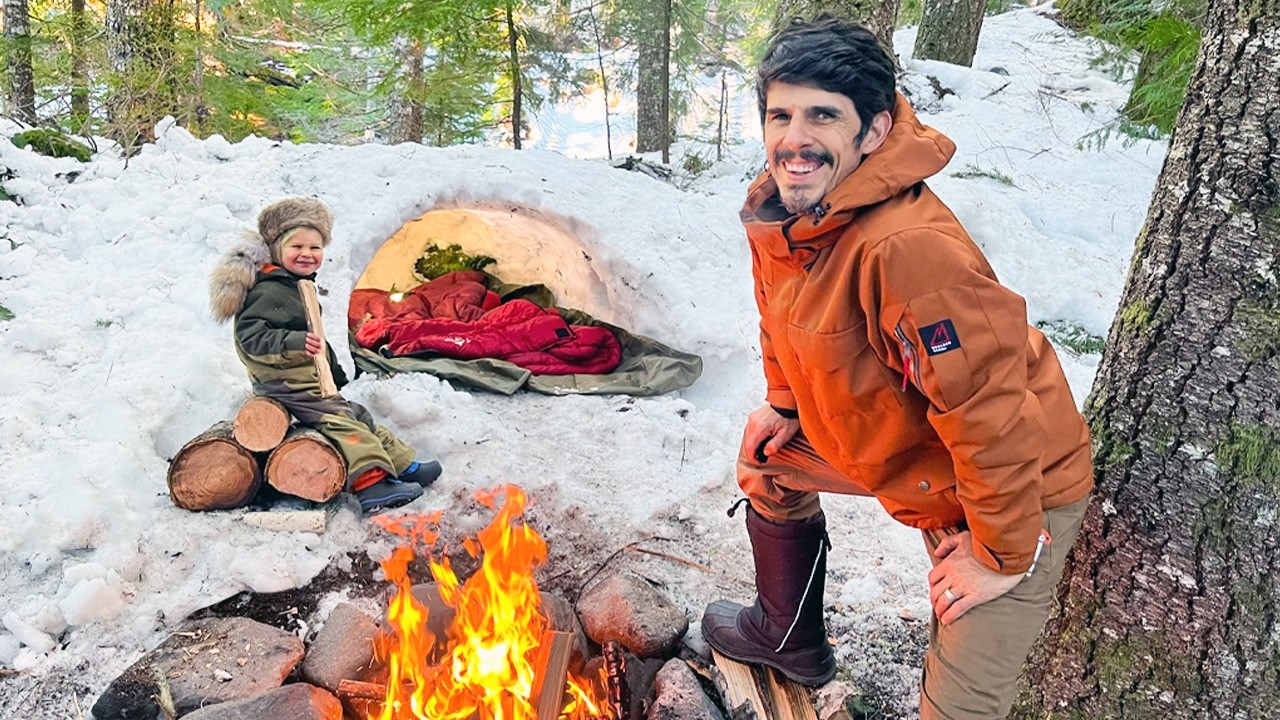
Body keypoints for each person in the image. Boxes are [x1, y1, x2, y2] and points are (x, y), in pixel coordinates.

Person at [700, 15, 1093, 720]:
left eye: (823, 116)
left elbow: (991, 409)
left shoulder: (906, 250)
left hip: (1008, 491)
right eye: (781, 115)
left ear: (874, 131)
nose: (794, 139)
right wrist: (785, 404)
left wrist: (999, 555)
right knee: (769, 460)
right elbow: (779, 315)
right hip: (905, 448)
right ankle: (787, 638)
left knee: (959, 708)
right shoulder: (791, 210)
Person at [209, 197, 442, 514]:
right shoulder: (267, 290)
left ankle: (402, 464)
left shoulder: (295, 285)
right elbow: (249, 339)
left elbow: (315, 337)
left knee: (357, 414)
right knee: (341, 422)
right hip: (283, 383)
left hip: (304, 378)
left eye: (315, 247)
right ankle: (371, 484)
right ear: (276, 249)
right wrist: (292, 341)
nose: (307, 254)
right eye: (297, 247)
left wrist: (333, 371)